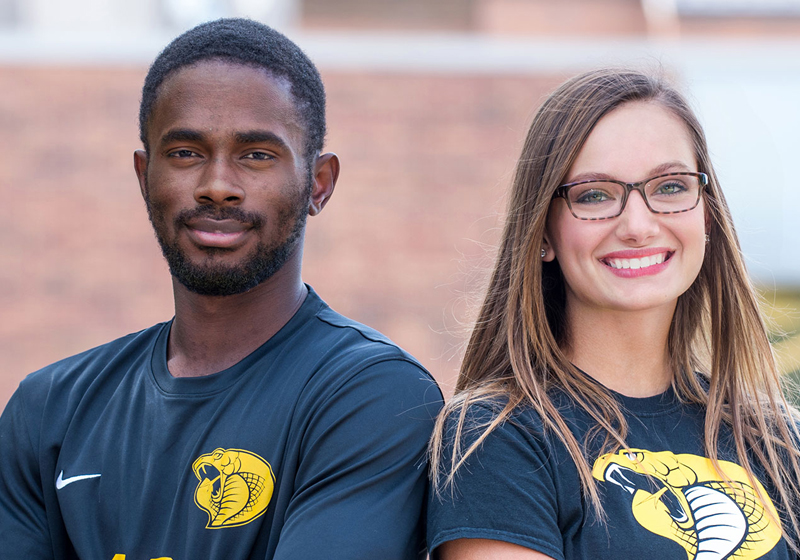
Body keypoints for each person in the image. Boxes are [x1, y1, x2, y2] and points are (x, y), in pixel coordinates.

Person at [0, 18, 442, 560]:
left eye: (256, 155)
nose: (217, 186)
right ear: (144, 177)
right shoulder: (49, 410)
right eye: (186, 152)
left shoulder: (374, 397)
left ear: (318, 184)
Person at [427, 68, 800, 559]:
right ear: (542, 232)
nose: (638, 226)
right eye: (594, 195)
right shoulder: (497, 439)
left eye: (670, 186)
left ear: (706, 213)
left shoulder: (779, 441)